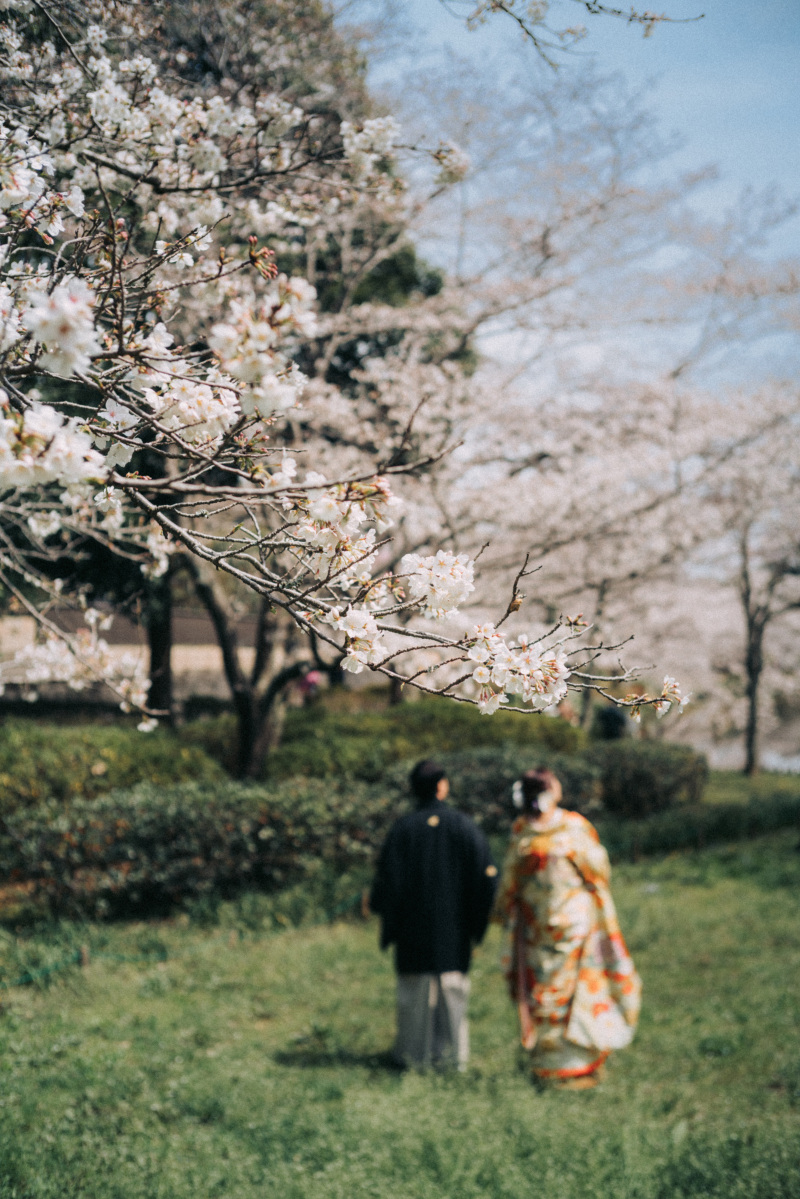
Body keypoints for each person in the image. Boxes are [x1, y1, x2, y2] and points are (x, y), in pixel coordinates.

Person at [494, 768, 641, 1089]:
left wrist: (504, 911)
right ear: (551, 791)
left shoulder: (522, 831)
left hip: (535, 924)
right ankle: (578, 1064)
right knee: (577, 988)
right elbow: (598, 869)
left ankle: (547, 1064)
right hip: (573, 922)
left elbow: (509, 882)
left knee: (542, 988)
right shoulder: (573, 827)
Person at [370, 759, 498, 1070]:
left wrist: (391, 918)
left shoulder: (404, 828)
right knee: (451, 992)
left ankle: (413, 1057)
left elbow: (386, 882)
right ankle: (453, 1059)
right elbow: (487, 877)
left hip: (411, 930)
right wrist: (475, 921)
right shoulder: (463, 825)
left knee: (415, 995)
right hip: (453, 929)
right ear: (441, 786)